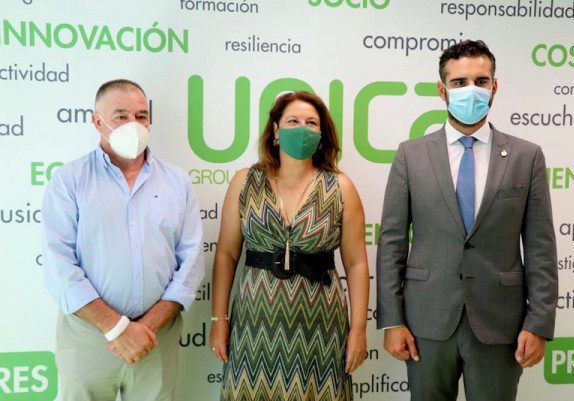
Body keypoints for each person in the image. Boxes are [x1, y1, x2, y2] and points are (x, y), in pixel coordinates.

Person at [377, 40, 558, 401]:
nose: (471, 90)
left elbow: (540, 248)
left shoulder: (526, 157)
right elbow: (392, 243)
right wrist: (392, 320)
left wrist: (539, 323)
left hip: (500, 324)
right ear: (441, 90)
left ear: (494, 86)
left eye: (481, 80)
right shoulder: (410, 155)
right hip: (426, 321)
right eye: (459, 82)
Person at [41, 79, 205, 401]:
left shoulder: (177, 182)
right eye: (121, 116)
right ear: (97, 122)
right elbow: (60, 266)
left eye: (141, 116)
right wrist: (118, 328)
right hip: (89, 339)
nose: (134, 124)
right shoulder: (69, 180)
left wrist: (145, 330)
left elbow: (191, 263)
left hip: (155, 340)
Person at [209, 91, 369, 401]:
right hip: (254, 321)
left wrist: (358, 329)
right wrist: (219, 320)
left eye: (311, 123)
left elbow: (356, 264)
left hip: (320, 324)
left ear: (321, 136)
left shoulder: (341, 187)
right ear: (276, 131)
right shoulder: (245, 181)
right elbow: (227, 254)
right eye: (293, 121)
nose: (302, 128)